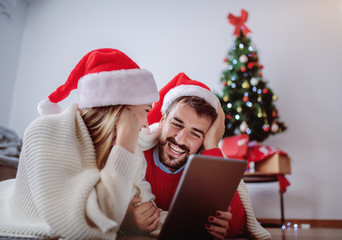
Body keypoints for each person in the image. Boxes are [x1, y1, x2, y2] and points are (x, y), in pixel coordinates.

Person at [0, 48, 160, 240]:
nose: (146, 123)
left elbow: (124, 210)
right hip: (13, 218)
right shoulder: (43, 130)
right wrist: (125, 139)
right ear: (123, 109)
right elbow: (87, 228)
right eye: (146, 110)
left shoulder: (121, 147)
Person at [130, 72, 272, 240]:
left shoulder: (206, 168)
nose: (180, 139)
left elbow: (236, 223)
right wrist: (126, 221)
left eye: (195, 134)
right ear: (162, 122)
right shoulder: (134, 152)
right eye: (176, 124)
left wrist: (212, 146)